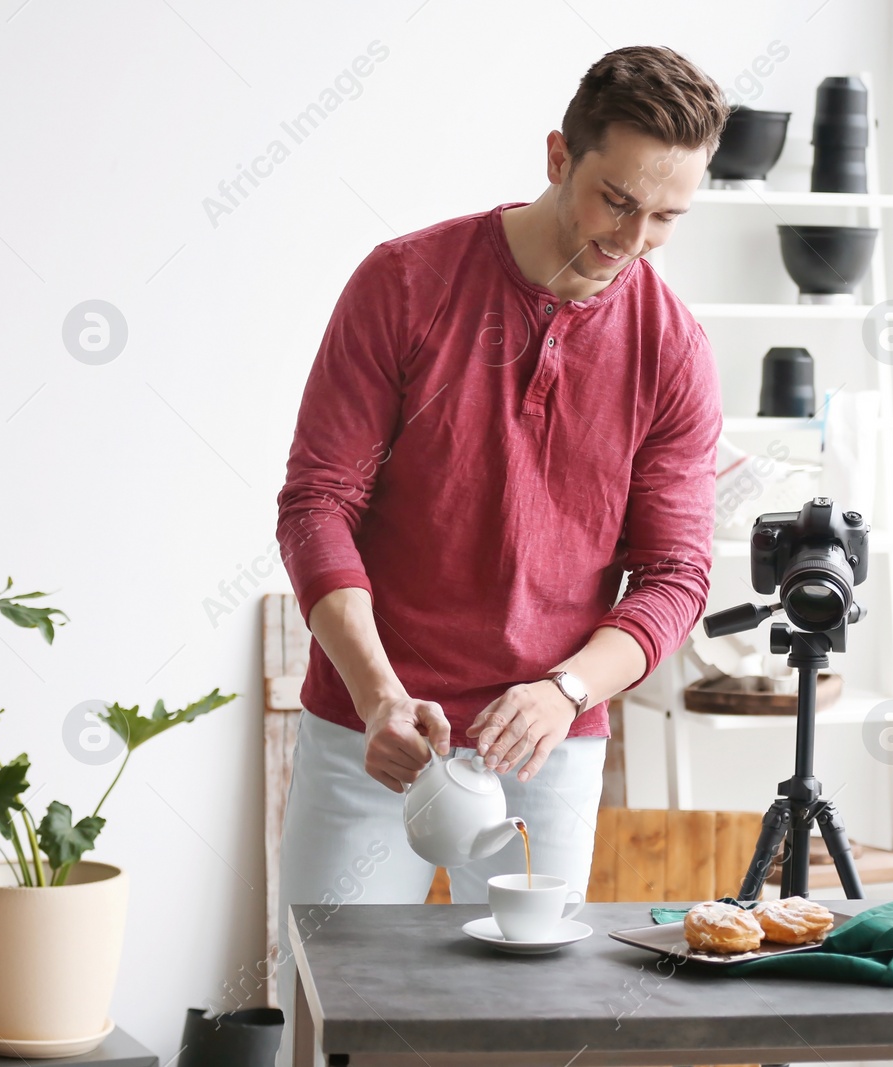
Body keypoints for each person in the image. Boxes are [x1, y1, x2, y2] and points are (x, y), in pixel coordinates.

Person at [270, 44, 728, 1058]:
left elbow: (674, 576)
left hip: (547, 748)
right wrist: (382, 693)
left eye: (666, 217)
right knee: (331, 1015)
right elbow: (317, 504)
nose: (635, 238)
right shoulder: (403, 284)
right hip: (370, 735)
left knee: (528, 1037)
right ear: (560, 154)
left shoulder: (674, 349)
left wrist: (564, 690)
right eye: (616, 201)